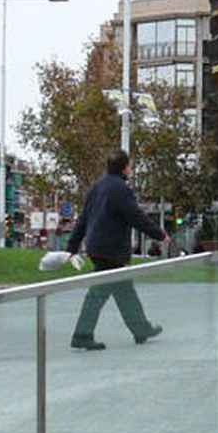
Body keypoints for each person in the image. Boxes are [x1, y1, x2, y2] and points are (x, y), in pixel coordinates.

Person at [66, 150, 171, 351]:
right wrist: (160, 235)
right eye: (130, 166)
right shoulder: (120, 189)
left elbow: (83, 220)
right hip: (110, 249)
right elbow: (136, 216)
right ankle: (82, 334)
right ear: (125, 168)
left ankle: (141, 329)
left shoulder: (96, 187)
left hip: (96, 246)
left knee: (124, 291)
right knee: (98, 294)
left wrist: (72, 247)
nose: (131, 169)